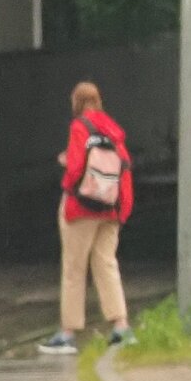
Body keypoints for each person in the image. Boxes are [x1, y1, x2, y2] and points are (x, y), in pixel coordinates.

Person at [41, 81, 133, 355]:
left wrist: (67, 175)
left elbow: (78, 166)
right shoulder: (113, 130)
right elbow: (125, 166)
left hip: (82, 208)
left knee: (74, 267)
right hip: (110, 209)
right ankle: (121, 326)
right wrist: (122, 208)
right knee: (106, 264)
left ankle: (68, 333)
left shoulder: (80, 127)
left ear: (76, 103)